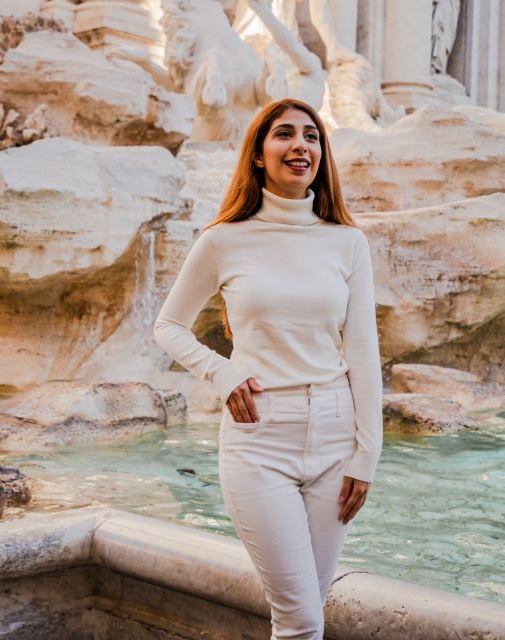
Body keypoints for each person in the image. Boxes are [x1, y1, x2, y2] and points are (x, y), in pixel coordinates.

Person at [153, 97, 382, 639]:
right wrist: (223, 373)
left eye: (312, 136)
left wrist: (367, 452)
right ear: (258, 154)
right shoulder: (223, 239)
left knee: (306, 614)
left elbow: (364, 352)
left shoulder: (348, 242)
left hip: (335, 435)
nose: (300, 145)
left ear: (322, 155)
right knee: (301, 620)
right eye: (284, 134)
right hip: (260, 440)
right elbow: (168, 326)